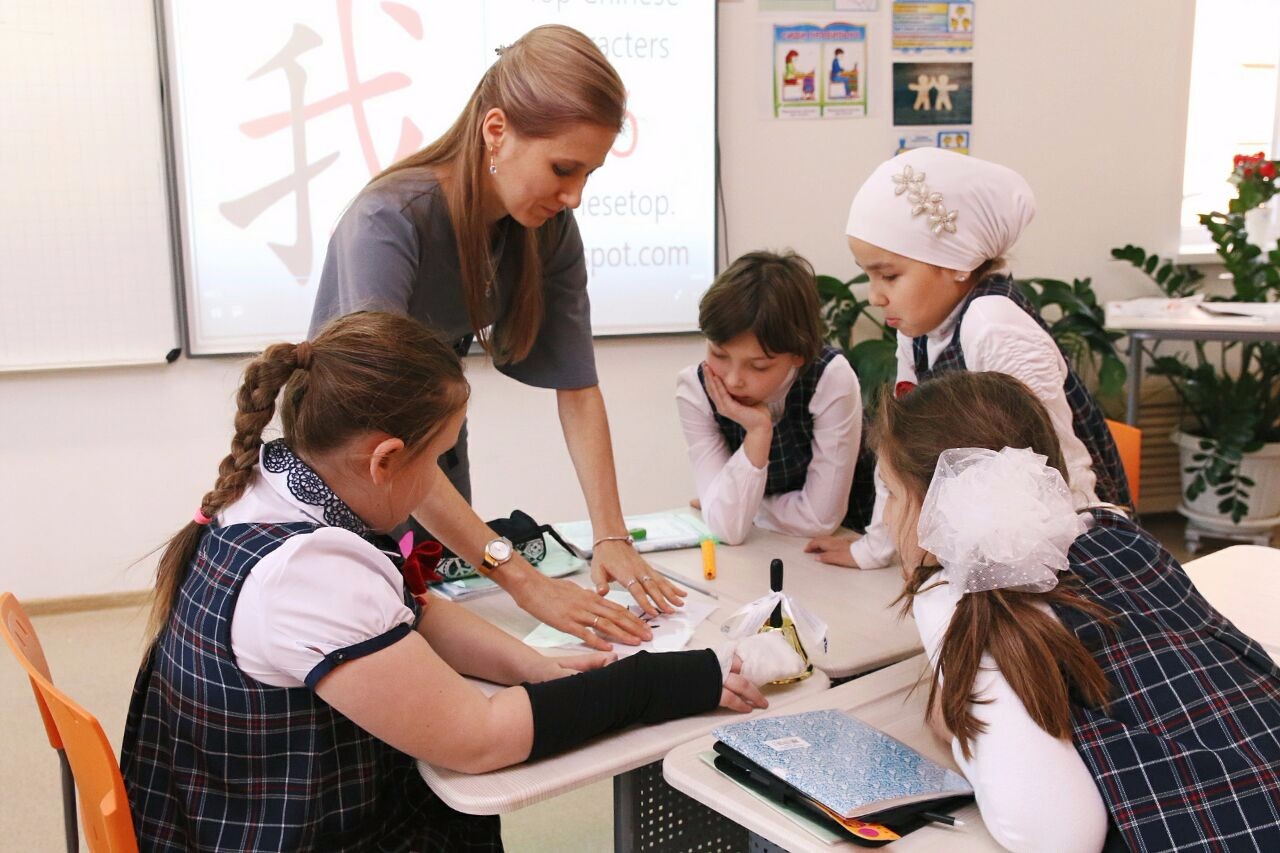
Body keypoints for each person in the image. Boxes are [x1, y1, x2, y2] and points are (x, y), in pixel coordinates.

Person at [120, 312, 778, 852]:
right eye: (439, 456)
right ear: (385, 460)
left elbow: (417, 609)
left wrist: (536, 668)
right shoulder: (311, 574)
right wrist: (662, 681)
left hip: (228, 807)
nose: (440, 479)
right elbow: (479, 738)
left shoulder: (274, 483)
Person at [309, 24, 682, 651]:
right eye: (563, 169)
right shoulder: (387, 222)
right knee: (361, 644)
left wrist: (611, 536)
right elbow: (382, 437)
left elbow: (578, 388)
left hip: (430, 460)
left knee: (435, 630)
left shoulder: (546, 230)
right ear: (497, 130)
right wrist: (527, 583)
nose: (575, 196)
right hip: (352, 470)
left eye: (588, 174)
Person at [875, 371, 1280, 853]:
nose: (885, 517)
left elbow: (1057, 834)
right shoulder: (1113, 529)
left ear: (940, 506)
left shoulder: (960, 598)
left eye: (892, 493)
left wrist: (961, 731)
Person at [806, 147, 1130, 569]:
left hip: (1066, 546)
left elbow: (1058, 471)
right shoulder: (917, 328)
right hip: (997, 542)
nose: (874, 295)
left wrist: (1075, 575)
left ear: (957, 262)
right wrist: (875, 548)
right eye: (868, 274)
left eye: (889, 275)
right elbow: (899, 449)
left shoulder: (993, 324)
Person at [675, 250, 861, 545]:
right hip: (761, 548)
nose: (733, 380)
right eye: (719, 354)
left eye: (758, 366)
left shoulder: (830, 378)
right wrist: (758, 431)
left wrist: (739, 507)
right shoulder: (696, 389)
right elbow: (728, 530)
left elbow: (820, 519)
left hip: (846, 541)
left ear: (798, 355)